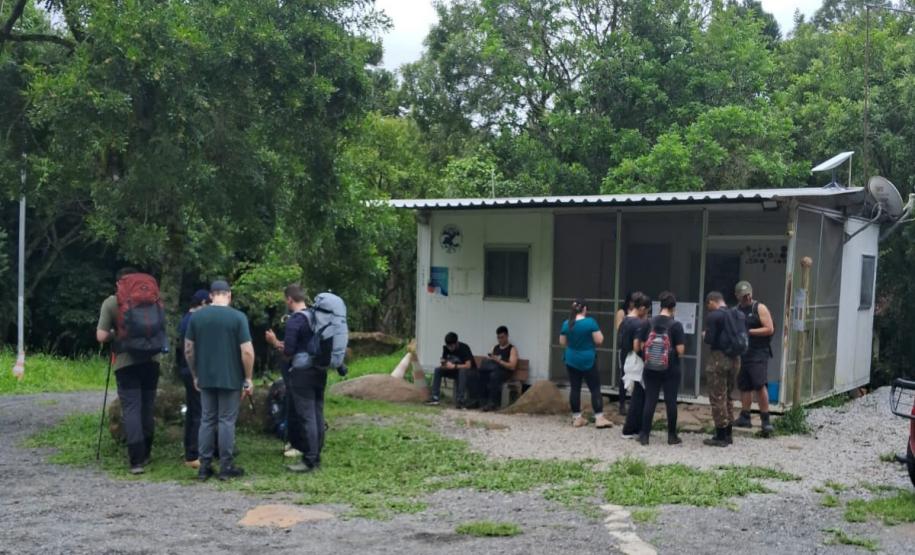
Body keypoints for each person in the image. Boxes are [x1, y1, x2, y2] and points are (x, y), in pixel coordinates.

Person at [184, 280, 255, 481]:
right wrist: (248, 378)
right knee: (226, 421)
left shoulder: (197, 317)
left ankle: (204, 467)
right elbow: (247, 351)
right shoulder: (238, 317)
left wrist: (195, 373)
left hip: (205, 377)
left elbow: (189, 348)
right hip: (231, 378)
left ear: (211, 295)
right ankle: (226, 466)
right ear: (229, 295)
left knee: (206, 420)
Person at [96, 267, 162, 474]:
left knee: (132, 408)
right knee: (147, 407)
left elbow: (100, 336)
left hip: (125, 362)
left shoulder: (112, 302)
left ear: (119, 283)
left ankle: (136, 460)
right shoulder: (153, 299)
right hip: (152, 360)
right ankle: (148, 453)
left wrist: (114, 335)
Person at [265, 284, 326, 473]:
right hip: (319, 371)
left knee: (307, 416)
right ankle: (317, 454)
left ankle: (310, 459)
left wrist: (275, 343)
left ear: (289, 299)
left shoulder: (295, 321)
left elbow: (289, 352)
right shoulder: (317, 317)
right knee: (317, 413)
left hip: (302, 375)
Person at [637, 291, 686, 446]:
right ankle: (672, 436)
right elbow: (680, 351)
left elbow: (638, 346)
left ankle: (644, 435)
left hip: (650, 367)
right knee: (670, 401)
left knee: (650, 400)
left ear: (660, 306)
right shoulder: (676, 325)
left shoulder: (647, 323)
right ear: (673, 308)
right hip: (671, 369)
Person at [560, 299, 612, 429]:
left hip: (571, 359)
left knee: (575, 387)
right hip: (588, 359)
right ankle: (599, 418)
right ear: (584, 309)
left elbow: (562, 342)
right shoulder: (590, 322)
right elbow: (599, 340)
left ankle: (577, 418)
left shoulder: (566, 323)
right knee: (594, 388)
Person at [733, 281, 776, 437]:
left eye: (748, 294)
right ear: (737, 296)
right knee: (744, 385)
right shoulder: (736, 310)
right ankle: (745, 416)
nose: (746, 298)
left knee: (759, 384)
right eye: (743, 296)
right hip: (743, 352)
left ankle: (765, 420)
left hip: (759, 352)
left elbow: (769, 328)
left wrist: (749, 331)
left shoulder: (759, 308)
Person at [176, 289, 210, 469]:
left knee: (192, 411)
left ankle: (190, 450)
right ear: (203, 303)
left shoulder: (185, 320)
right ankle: (194, 453)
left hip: (185, 369)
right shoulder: (195, 320)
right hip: (194, 371)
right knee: (199, 411)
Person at [702, 291, 740, 447]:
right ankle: (729, 433)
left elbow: (709, 339)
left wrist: (705, 335)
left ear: (712, 302)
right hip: (735, 359)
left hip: (719, 359)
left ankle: (720, 435)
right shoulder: (736, 314)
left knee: (717, 397)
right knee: (728, 395)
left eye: (708, 305)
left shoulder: (714, 316)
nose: (708, 308)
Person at [619, 292, 651, 439]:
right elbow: (637, 346)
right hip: (636, 360)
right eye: (647, 310)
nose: (647, 313)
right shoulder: (639, 323)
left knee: (636, 394)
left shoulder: (625, 320)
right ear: (642, 308)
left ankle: (636, 427)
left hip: (626, 358)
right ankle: (629, 429)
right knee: (639, 396)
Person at [426, 332, 476, 407]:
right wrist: (444, 364)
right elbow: (444, 362)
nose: (450, 348)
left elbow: (468, 366)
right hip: (454, 371)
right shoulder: (446, 348)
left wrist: (454, 366)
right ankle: (435, 397)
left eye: (451, 346)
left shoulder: (464, 348)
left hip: (468, 372)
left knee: (462, 371)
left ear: (456, 343)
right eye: (448, 346)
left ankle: (460, 400)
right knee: (438, 370)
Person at [476, 326, 519, 412]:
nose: (500, 340)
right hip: (494, 370)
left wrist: (499, 361)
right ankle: (482, 401)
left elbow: (512, 366)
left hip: (505, 371)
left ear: (507, 336)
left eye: (502, 337)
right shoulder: (495, 347)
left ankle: (492, 403)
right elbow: (490, 360)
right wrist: (491, 359)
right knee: (481, 373)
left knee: (494, 375)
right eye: (498, 338)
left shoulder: (512, 349)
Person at [614, 292, 638, 415]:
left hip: (636, 347)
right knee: (623, 375)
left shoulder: (639, 312)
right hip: (625, 347)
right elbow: (619, 328)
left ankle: (634, 402)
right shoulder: (622, 312)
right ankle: (622, 404)